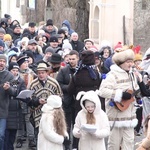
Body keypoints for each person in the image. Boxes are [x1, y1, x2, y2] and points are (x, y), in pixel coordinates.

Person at [98, 49, 140, 150]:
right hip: (116, 116)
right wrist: (120, 94)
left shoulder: (132, 74)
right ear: (120, 63)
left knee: (129, 144)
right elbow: (102, 91)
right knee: (114, 145)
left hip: (130, 116)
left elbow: (135, 91)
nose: (131, 64)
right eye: (128, 62)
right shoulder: (112, 75)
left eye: (131, 61)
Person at [56, 50, 79, 149]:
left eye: (73, 59)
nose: (71, 61)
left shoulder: (81, 70)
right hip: (67, 102)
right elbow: (59, 84)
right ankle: (66, 146)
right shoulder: (63, 70)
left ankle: (76, 146)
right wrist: (69, 88)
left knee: (77, 125)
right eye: (69, 59)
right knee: (67, 126)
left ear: (78, 59)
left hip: (78, 102)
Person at [4, 62, 26, 150]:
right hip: (6, 108)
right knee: (5, 135)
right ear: (9, 70)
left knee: (13, 135)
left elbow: (22, 92)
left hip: (17, 110)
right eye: (13, 70)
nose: (15, 72)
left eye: (17, 70)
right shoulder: (5, 79)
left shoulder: (21, 81)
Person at [0, 54, 16, 150]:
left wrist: (8, 89)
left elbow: (14, 91)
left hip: (3, 111)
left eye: (3, 61)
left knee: (1, 135)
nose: (1, 63)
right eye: (0, 61)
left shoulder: (10, 75)